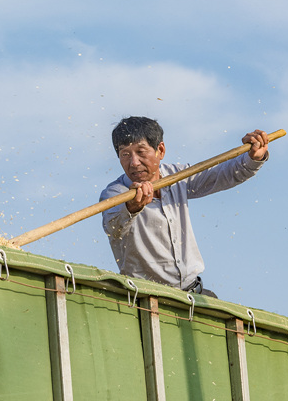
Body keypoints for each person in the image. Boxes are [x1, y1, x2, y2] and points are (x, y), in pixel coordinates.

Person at [101, 116, 270, 298]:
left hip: (193, 292)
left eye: (141, 152)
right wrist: (132, 207)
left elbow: (222, 175)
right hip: (146, 297)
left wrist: (253, 158)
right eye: (125, 154)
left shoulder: (176, 176)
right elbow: (114, 227)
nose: (134, 162)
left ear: (160, 150)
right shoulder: (116, 193)